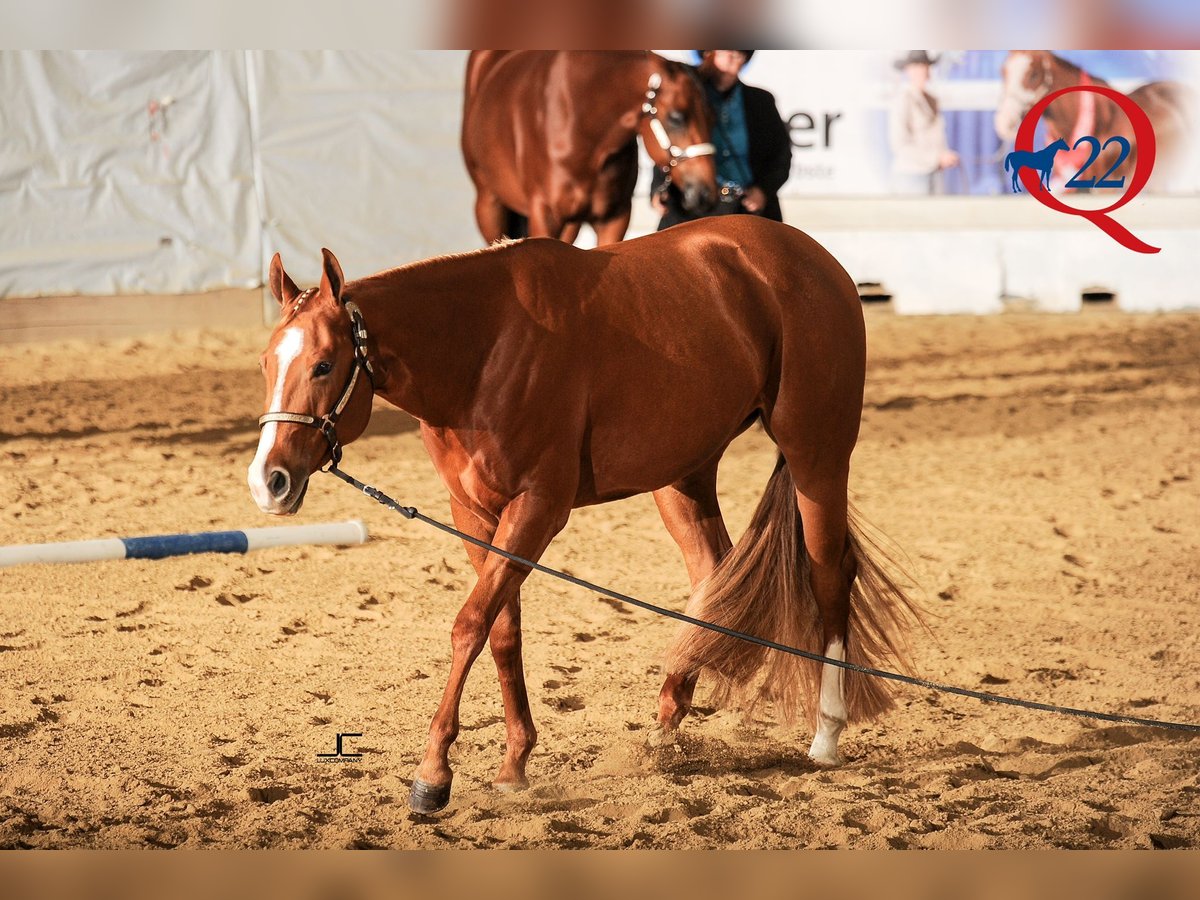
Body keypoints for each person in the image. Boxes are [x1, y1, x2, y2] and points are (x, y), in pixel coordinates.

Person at [652, 50, 792, 228]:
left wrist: (763, 191)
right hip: (690, 208)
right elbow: (669, 143)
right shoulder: (688, 98)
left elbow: (781, 156)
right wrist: (658, 188)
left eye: (739, 54)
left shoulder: (761, 101)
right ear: (708, 55)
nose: (732, 59)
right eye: (725, 52)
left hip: (748, 210)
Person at [888, 50, 960, 194]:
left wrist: (943, 155)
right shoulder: (903, 99)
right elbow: (899, 144)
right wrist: (937, 158)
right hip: (911, 175)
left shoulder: (932, 100)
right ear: (908, 71)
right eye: (917, 67)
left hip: (933, 173)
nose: (922, 71)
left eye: (924, 66)